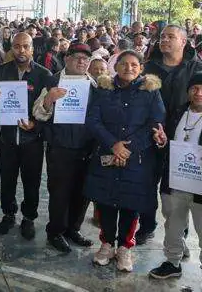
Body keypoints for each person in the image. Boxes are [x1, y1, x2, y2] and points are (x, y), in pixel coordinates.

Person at [85, 50, 165, 272]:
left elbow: (156, 122)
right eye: (124, 64)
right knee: (106, 201)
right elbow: (93, 119)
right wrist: (113, 145)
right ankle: (107, 244)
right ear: (115, 66)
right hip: (107, 154)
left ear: (141, 68)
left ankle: (124, 248)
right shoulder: (103, 89)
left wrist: (127, 149)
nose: (129, 68)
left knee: (131, 205)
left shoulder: (150, 91)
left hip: (137, 159)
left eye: (134, 65)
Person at [140, 25, 202, 245]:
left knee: (177, 194)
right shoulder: (147, 67)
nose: (164, 40)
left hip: (183, 142)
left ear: (184, 41)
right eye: (162, 37)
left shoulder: (197, 69)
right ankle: (146, 226)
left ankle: (180, 237)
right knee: (146, 185)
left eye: (170, 37)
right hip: (149, 138)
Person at [32, 43, 96, 253]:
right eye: (77, 57)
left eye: (86, 59)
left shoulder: (94, 84)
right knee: (59, 192)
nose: (81, 62)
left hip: (86, 147)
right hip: (60, 147)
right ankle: (56, 231)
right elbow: (38, 113)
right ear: (66, 58)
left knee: (82, 191)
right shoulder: (52, 81)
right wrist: (49, 100)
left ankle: (73, 229)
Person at [0, 32, 51, 240]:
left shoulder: (44, 75)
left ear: (32, 49)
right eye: (16, 46)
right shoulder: (0, 73)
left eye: (25, 46)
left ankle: (29, 218)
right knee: (7, 180)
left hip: (31, 141)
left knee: (31, 182)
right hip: (6, 139)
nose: (21, 50)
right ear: (11, 49)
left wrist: (36, 125)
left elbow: (49, 109)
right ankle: (8, 214)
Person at [149, 73, 202, 279]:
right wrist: (162, 141)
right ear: (188, 91)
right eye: (194, 88)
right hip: (175, 181)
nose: (199, 93)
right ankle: (172, 262)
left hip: (200, 186)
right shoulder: (179, 112)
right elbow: (167, 144)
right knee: (173, 225)